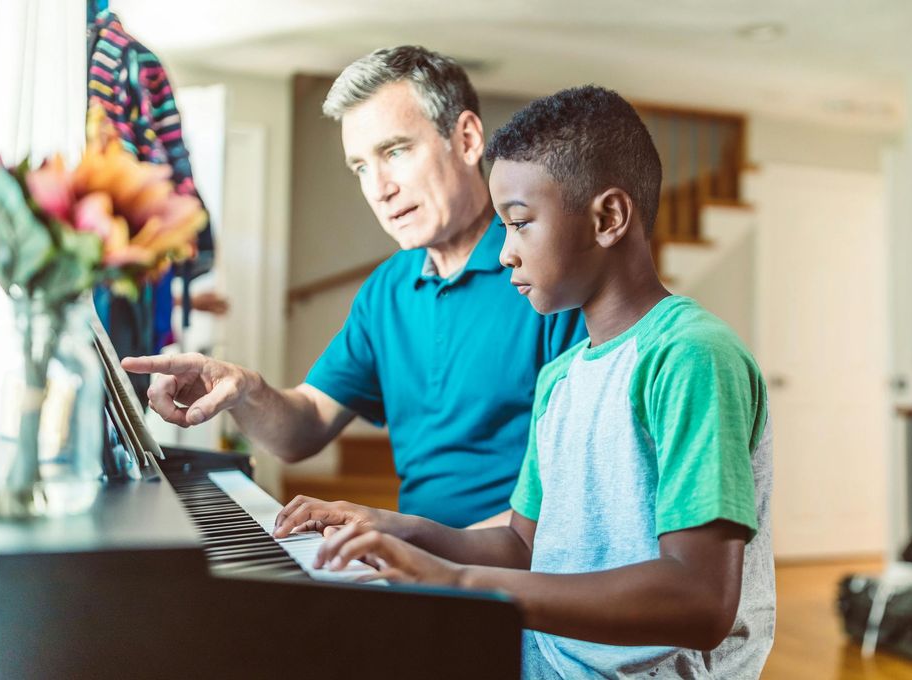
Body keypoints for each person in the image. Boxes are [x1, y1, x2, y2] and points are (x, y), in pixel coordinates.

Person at [273, 86, 775, 679]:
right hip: (545, 657)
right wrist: (394, 527)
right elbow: (521, 544)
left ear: (608, 218)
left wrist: (461, 581)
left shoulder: (690, 355)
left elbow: (699, 601)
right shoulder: (562, 377)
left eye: (518, 223)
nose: (506, 254)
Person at [122, 46, 586, 528]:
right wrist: (244, 390)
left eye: (396, 151)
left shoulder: (547, 278)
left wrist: (406, 540)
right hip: (428, 569)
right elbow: (302, 430)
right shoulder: (386, 290)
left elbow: (577, 497)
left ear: (467, 140)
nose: (379, 188)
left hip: (514, 575)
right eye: (361, 167)